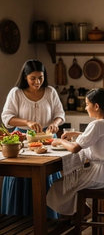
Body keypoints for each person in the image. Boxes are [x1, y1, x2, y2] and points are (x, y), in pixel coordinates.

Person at [1, 59, 64, 218]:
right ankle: (18, 221)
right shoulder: (16, 93)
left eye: (40, 78)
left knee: (46, 176)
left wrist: (55, 124)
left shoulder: (50, 92)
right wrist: (27, 122)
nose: (37, 82)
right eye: (33, 78)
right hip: (22, 140)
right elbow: (7, 118)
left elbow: (60, 114)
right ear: (25, 77)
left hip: (48, 140)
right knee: (22, 177)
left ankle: (47, 220)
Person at [46, 88, 104, 215]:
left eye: (87, 104)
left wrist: (60, 141)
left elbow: (75, 148)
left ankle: (76, 212)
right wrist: (76, 133)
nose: (86, 107)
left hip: (100, 175)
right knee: (68, 183)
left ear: (96, 106)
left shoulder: (96, 125)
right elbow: (98, 137)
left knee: (59, 185)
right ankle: (79, 208)